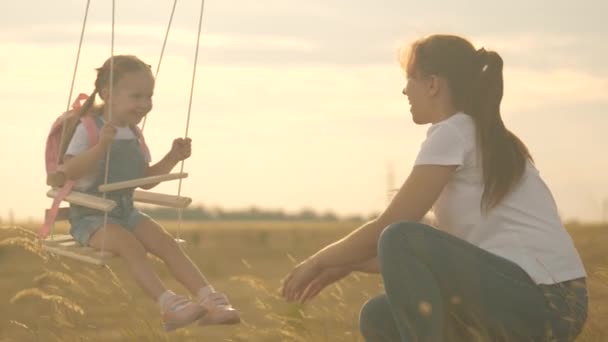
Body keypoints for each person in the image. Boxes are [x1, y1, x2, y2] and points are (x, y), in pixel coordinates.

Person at [280, 34, 588, 341]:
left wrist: (317, 261)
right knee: (380, 315)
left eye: (410, 78)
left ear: (433, 84)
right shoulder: (482, 135)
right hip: (552, 301)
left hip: (544, 301)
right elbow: (421, 256)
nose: (404, 90)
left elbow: (391, 231)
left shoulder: (453, 132)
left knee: (400, 235)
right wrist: (346, 263)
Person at [62, 55, 240, 332]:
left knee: (166, 243)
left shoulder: (133, 133)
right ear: (108, 94)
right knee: (131, 247)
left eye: (149, 96)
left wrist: (172, 157)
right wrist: (101, 147)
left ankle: (210, 299)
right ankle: (169, 305)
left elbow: (144, 180)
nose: (145, 104)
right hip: (91, 217)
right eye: (137, 96)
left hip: (124, 210)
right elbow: (68, 171)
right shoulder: (89, 128)